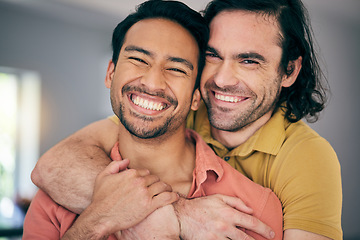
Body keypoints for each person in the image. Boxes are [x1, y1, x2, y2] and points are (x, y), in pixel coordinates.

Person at [31, 0, 343, 239]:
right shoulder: (176, 112)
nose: (221, 80)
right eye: (212, 55)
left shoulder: (305, 159)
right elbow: (52, 166)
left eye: (248, 60)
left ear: (289, 70)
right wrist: (175, 214)